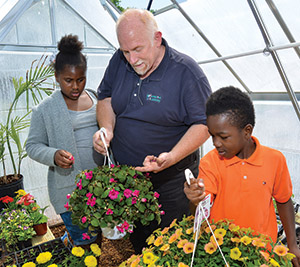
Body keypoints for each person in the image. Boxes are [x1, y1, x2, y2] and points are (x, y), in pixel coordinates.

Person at [93, 9, 211, 253]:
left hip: (170, 182)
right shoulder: (118, 61)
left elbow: (204, 124)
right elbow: (105, 97)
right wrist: (107, 127)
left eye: (138, 49)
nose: (132, 59)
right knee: (140, 243)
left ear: (157, 38)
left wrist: (171, 156)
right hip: (129, 179)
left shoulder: (186, 73)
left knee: (172, 245)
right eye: (125, 51)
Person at [184, 86, 300, 266]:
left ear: (247, 131)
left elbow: (284, 201)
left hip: (262, 254)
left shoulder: (274, 160)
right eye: (212, 135)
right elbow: (201, 211)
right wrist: (195, 200)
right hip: (221, 253)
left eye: (223, 137)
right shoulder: (210, 162)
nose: (215, 143)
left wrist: (292, 244)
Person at [26, 34, 104, 247]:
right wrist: (53, 155)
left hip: (101, 186)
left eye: (81, 79)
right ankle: (73, 244)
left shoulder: (96, 98)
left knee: (97, 235)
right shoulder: (45, 110)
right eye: (68, 81)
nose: (76, 86)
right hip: (69, 189)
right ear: (57, 77)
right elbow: (32, 145)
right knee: (85, 242)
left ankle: (72, 243)